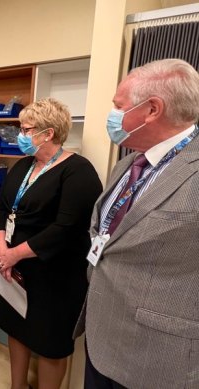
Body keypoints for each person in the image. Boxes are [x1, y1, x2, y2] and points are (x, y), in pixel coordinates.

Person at [75, 59, 199, 388]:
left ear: (152, 109)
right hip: (102, 339)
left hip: (158, 358)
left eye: (118, 106)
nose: (112, 115)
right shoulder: (129, 163)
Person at [0, 98, 102, 389]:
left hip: (56, 275)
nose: (20, 136)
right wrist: (3, 248)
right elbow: (3, 208)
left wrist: (14, 254)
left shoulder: (78, 172)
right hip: (15, 270)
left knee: (51, 342)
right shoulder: (23, 167)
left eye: (26, 129)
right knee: (16, 328)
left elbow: (64, 228)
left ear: (48, 133)